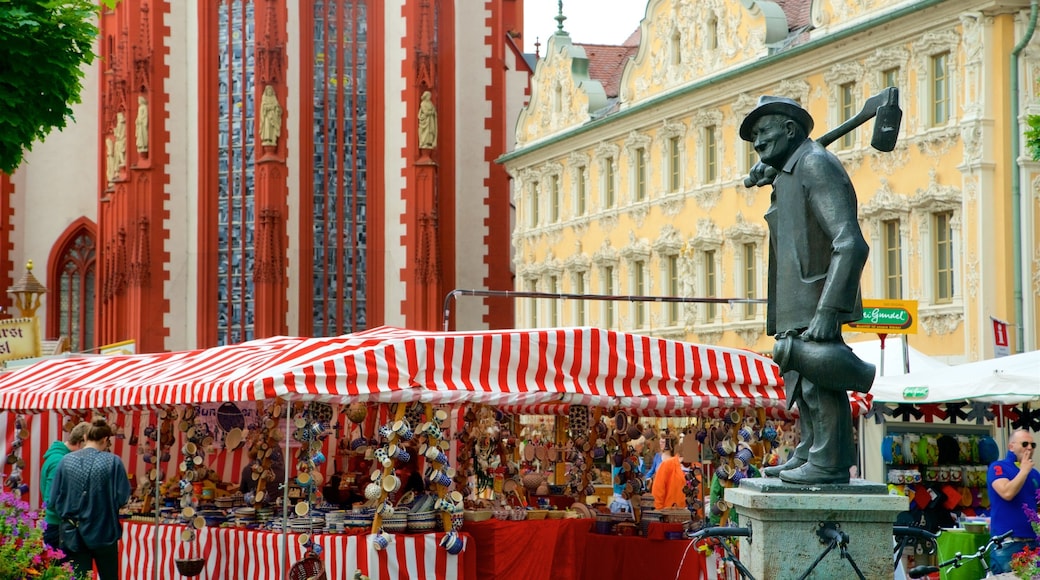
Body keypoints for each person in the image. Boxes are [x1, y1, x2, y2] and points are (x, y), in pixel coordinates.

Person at [740, 96, 871, 485]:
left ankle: (829, 459)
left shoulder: (815, 164)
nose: (757, 142)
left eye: (764, 132)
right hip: (796, 298)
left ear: (791, 130)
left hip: (816, 298)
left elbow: (849, 243)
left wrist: (830, 308)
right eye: (753, 137)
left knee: (820, 376)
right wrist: (773, 169)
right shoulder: (792, 169)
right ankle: (812, 448)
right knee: (803, 382)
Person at [49, 418, 131, 579]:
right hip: (104, 530)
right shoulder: (113, 462)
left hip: (73, 533)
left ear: (85, 437)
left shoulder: (65, 461)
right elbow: (122, 497)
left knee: (79, 577)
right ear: (106, 439)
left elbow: (53, 499)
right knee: (109, 576)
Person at [986, 429, 1038, 573]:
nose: (1029, 448)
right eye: (1025, 443)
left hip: (1033, 542)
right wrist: (1024, 471)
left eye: (1033, 445)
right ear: (1011, 446)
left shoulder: (1034, 473)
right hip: (1009, 543)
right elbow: (1007, 492)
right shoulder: (998, 467)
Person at [40, 421, 91, 551]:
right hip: (57, 526)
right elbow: (50, 499)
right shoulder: (59, 461)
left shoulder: (61, 458)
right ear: (81, 442)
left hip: (58, 524)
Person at [651, 438, 686, 510]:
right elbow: (657, 491)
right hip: (670, 513)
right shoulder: (668, 464)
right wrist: (659, 512)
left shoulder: (696, 467)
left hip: (691, 515)